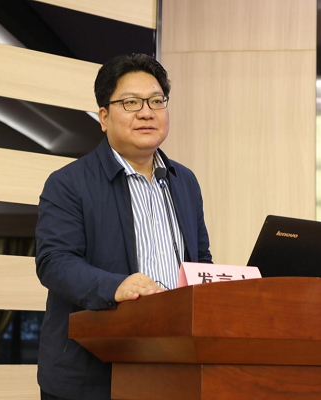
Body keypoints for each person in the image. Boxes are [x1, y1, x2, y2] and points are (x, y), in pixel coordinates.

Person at [35, 54, 212, 400]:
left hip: (173, 368)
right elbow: (54, 262)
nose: (147, 112)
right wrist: (117, 286)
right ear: (104, 117)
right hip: (91, 375)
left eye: (156, 101)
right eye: (131, 102)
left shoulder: (185, 181)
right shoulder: (68, 183)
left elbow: (199, 259)